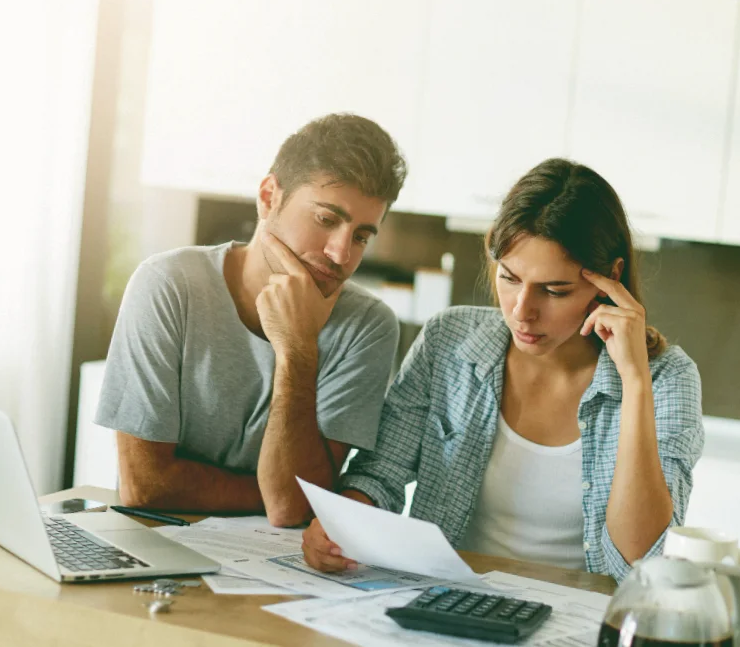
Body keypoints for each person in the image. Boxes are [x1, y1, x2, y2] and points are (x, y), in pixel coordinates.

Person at [301, 158, 703, 581]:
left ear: (610, 279)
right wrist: (341, 527)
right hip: (445, 601)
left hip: (581, 622)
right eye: (510, 278)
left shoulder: (667, 378)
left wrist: (635, 383)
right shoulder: (448, 341)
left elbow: (642, 558)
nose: (522, 311)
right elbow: (380, 476)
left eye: (554, 290)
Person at [95, 114, 405, 526]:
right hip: (154, 544)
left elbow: (293, 508)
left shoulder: (368, 326)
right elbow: (146, 486)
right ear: (268, 196)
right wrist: (271, 490)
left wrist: (297, 350)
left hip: (281, 572)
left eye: (362, 236)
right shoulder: (168, 285)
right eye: (326, 220)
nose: (340, 254)